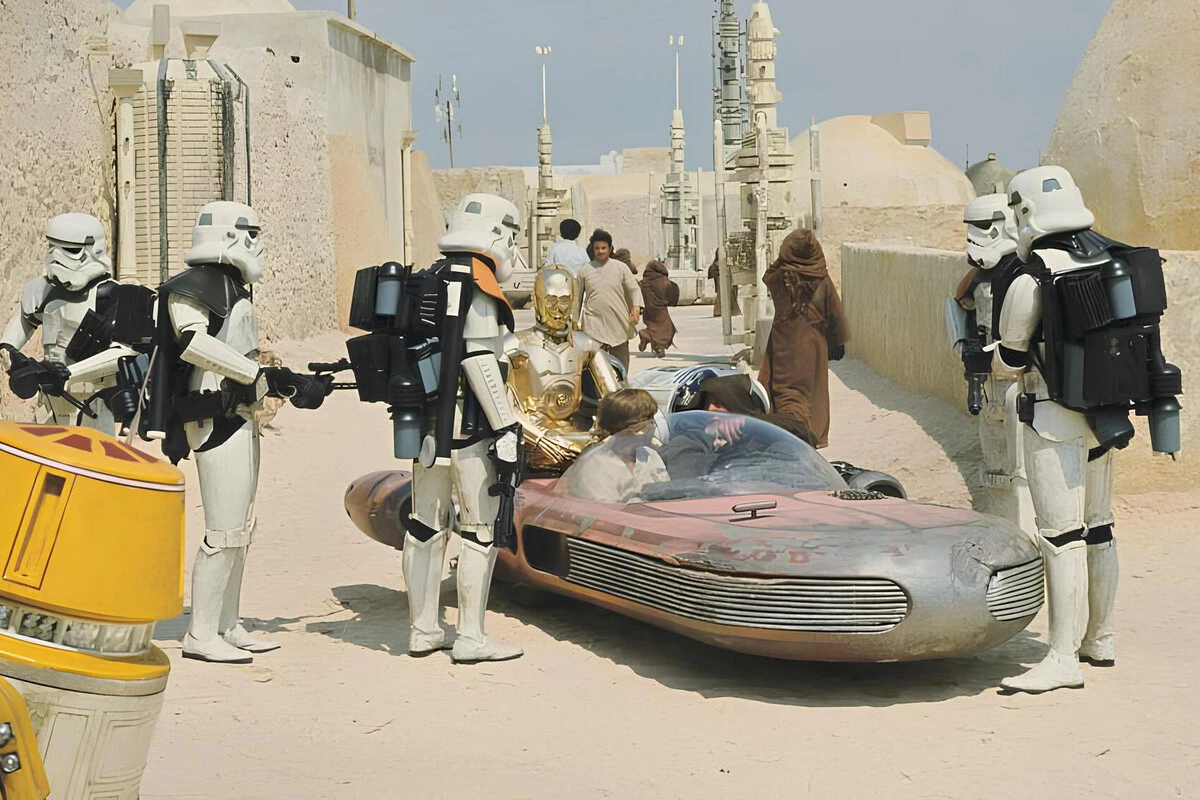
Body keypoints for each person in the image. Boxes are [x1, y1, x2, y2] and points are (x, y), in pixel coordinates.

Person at [992, 166, 1178, 693]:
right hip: (1106, 413)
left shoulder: (1031, 280)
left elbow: (1009, 360)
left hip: (1052, 419)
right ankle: (1102, 637)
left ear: (1025, 213)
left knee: (1061, 536)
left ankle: (1061, 657)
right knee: (1100, 527)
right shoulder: (1111, 260)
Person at [147, 201, 333, 664]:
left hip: (241, 414)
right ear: (230, 235)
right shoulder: (190, 288)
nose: (258, 243)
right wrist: (259, 375)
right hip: (214, 417)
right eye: (252, 233)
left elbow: (239, 359)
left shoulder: (231, 288)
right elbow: (193, 344)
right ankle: (201, 632)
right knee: (224, 530)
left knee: (242, 528)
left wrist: (283, 380)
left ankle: (227, 624)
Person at [399, 193, 529, 664]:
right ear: (497, 233)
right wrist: (507, 427)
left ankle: (423, 630)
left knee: (425, 525)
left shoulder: (433, 274)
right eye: (512, 235)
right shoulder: (478, 278)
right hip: (470, 424)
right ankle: (471, 637)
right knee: (478, 528)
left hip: (426, 426)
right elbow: (477, 357)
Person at [1, 213, 149, 433]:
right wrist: (13, 357)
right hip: (50, 397)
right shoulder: (42, 291)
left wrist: (67, 373)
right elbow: (16, 331)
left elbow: (125, 353)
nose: (57, 257)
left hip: (94, 398)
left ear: (93, 249)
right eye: (52, 247)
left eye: (70, 249)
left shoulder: (116, 295)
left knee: (92, 450)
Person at [946, 193, 1036, 539]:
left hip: (1019, 376)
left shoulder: (1024, 269)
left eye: (982, 226)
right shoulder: (983, 274)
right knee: (995, 460)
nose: (975, 235)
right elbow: (959, 301)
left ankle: (1025, 532)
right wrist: (965, 346)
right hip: (987, 377)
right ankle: (1001, 527)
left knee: (1020, 463)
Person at [504, 267, 622, 473]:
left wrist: (611, 430)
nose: (558, 309)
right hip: (533, 440)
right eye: (550, 300)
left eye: (565, 300)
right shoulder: (515, 345)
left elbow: (618, 398)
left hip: (577, 438)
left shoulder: (585, 345)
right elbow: (500, 404)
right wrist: (539, 438)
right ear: (536, 300)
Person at [758, 229, 848, 449]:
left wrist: (783, 259)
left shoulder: (780, 277)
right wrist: (837, 341)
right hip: (814, 343)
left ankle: (792, 434)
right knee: (809, 392)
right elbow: (834, 311)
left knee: (786, 390)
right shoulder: (822, 279)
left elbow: (767, 276)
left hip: (785, 340)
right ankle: (804, 434)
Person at [559, 388, 668, 503]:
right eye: (650, 421)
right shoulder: (596, 464)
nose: (653, 427)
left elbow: (666, 497)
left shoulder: (650, 455)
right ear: (632, 428)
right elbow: (602, 510)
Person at [578, 229, 641, 370]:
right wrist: (574, 323)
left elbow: (634, 289)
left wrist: (636, 306)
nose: (600, 251)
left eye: (603, 248)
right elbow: (577, 299)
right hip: (593, 324)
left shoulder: (621, 268)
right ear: (593, 249)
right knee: (594, 368)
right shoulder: (585, 270)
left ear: (610, 248)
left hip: (618, 322)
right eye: (597, 248)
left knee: (621, 367)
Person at [637, 260, 678, 359]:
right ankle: (651, 340)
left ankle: (648, 338)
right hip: (660, 310)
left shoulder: (644, 282)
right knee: (666, 329)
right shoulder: (663, 281)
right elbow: (672, 292)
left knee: (653, 327)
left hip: (648, 310)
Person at [708, 248, 740, 317]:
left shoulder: (722, 263)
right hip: (722, 283)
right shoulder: (717, 264)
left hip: (725, 282)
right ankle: (722, 310)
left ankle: (726, 310)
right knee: (722, 295)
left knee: (726, 295)